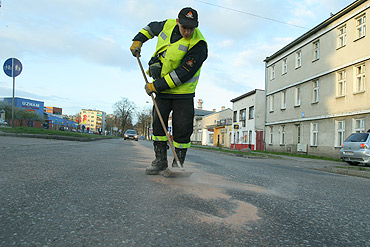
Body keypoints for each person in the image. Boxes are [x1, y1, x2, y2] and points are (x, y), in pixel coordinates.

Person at [130, 7, 208, 175]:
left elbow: (183, 74)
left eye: (191, 28)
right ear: (178, 22)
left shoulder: (199, 45)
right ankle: (160, 161)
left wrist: (155, 86)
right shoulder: (168, 25)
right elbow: (151, 27)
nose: (187, 32)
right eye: (184, 27)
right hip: (163, 94)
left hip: (183, 94)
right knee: (158, 127)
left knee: (182, 129)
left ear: (197, 26)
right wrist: (139, 40)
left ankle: (177, 165)